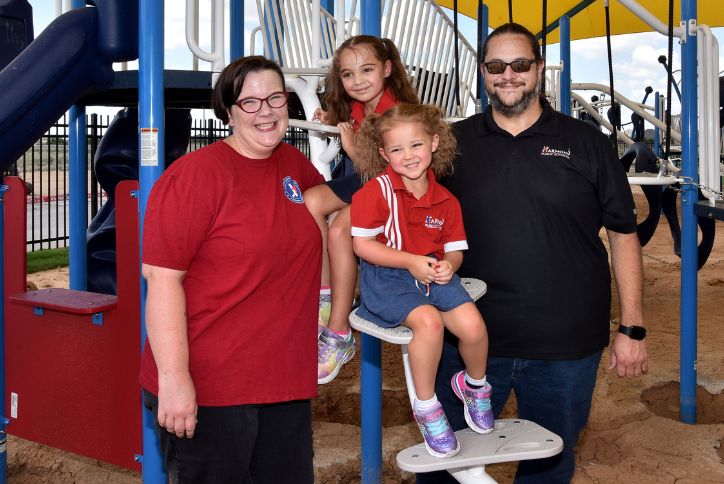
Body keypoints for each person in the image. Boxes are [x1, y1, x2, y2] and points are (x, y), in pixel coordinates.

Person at [419, 23, 648, 483]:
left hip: (565, 346)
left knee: (549, 466)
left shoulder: (587, 143)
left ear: (539, 69)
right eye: (496, 66)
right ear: (483, 73)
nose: (509, 76)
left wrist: (632, 327)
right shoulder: (450, 146)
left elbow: (623, 235)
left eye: (520, 65)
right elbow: (401, 204)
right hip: (468, 342)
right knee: (446, 468)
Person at [140, 56, 323, 483]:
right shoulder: (195, 177)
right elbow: (162, 280)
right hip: (212, 387)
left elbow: (346, 218)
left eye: (275, 97)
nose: (266, 111)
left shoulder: (295, 167)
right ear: (228, 111)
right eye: (250, 102)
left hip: (284, 383)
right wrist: (175, 380)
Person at [351, 103, 494, 458]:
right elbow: (363, 246)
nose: (408, 156)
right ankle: (427, 406)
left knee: (473, 325)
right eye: (396, 149)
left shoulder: (446, 200)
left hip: (430, 271)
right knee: (428, 322)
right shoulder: (376, 192)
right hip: (387, 276)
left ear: (433, 142)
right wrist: (410, 261)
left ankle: (474, 385)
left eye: (415, 145)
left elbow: (455, 250)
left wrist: (448, 264)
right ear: (384, 154)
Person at [307, 35, 419, 385]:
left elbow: (392, 171)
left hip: (395, 187)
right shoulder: (360, 106)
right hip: (366, 180)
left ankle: (339, 333)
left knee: (341, 229)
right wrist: (328, 115)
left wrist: (352, 149)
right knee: (309, 202)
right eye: (348, 75)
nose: (358, 81)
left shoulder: (397, 113)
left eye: (367, 70)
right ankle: (326, 296)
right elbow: (350, 126)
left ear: (387, 69)